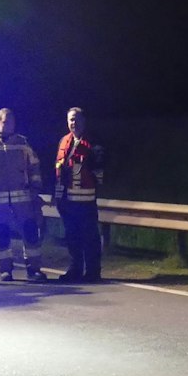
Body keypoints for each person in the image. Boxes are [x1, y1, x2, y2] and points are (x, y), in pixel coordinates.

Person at [0, 108, 48, 282]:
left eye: (12, 122)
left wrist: (36, 188)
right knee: (2, 235)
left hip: (23, 199)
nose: (10, 125)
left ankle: (34, 269)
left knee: (31, 233)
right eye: (6, 122)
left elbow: (34, 166)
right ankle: (5, 270)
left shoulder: (23, 143)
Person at [53, 106, 106, 283]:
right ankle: (75, 270)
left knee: (90, 238)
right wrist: (58, 197)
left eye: (76, 119)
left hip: (86, 201)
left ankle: (93, 272)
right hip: (68, 201)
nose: (73, 123)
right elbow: (59, 172)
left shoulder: (94, 144)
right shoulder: (64, 141)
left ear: (84, 121)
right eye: (71, 120)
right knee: (72, 238)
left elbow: (101, 174)